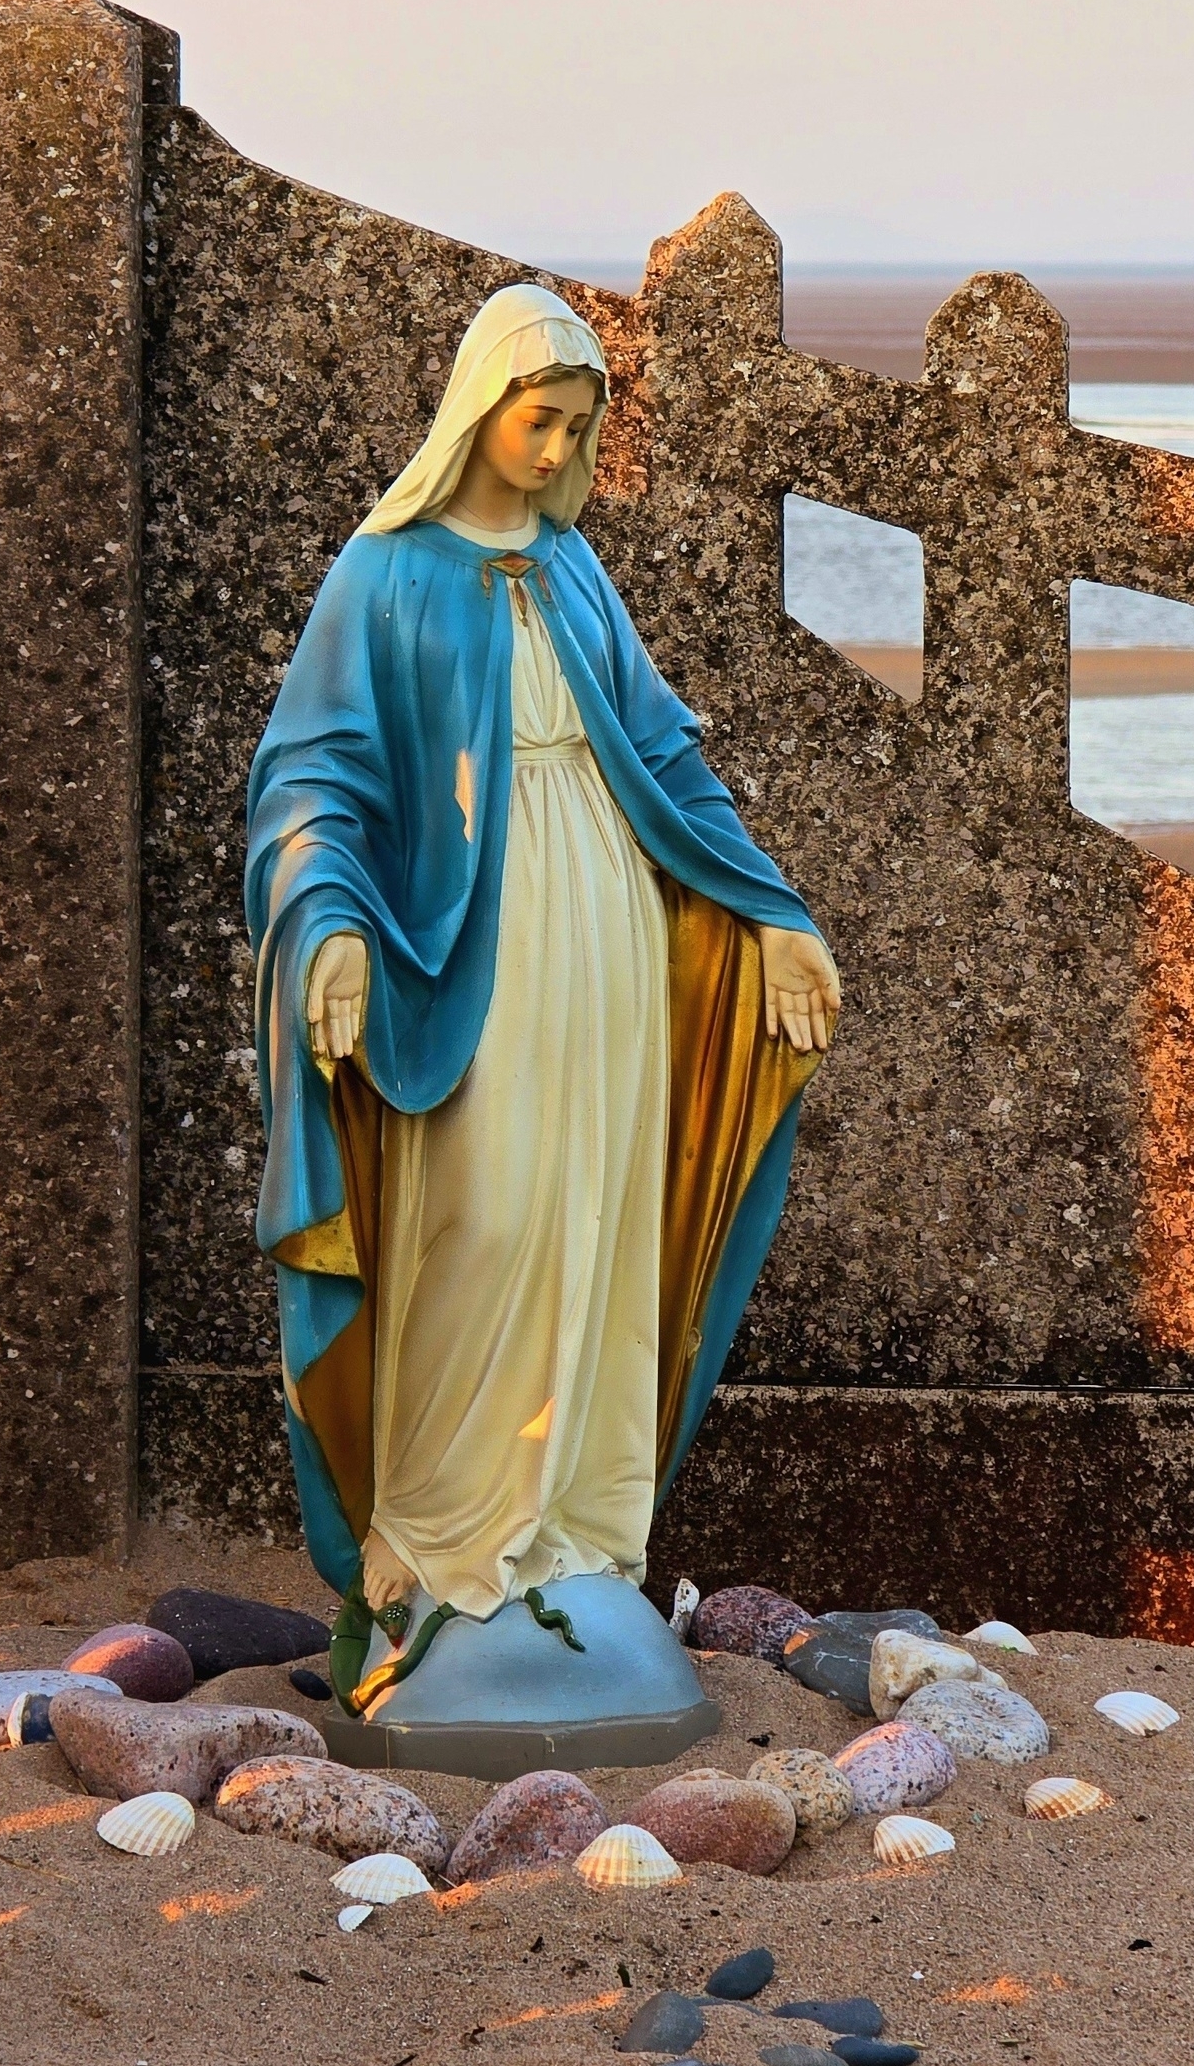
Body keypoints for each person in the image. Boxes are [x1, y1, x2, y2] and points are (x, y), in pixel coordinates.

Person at [246, 283, 839, 1733]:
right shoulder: (382, 575)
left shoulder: (572, 569)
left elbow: (663, 752)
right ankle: (437, 1541)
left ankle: (572, 1533)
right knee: (487, 1212)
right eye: (540, 415)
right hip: (473, 945)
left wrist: (770, 912)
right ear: (476, 408)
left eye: (578, 423)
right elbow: (307, 776)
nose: (559, 441)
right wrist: (323, 923)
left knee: (593, 1216)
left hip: (610, 926)